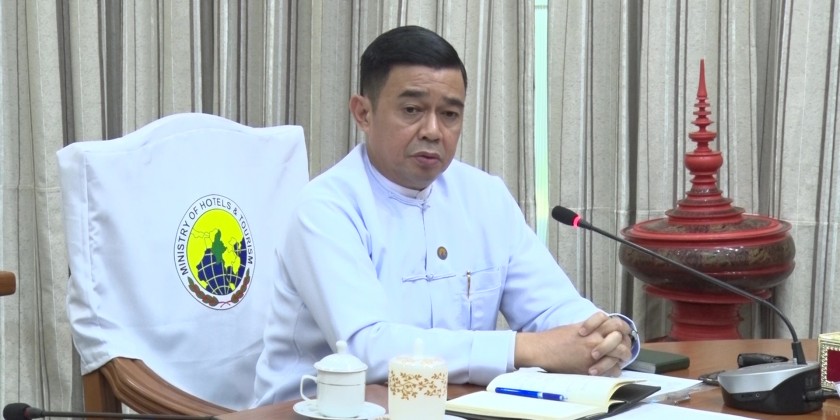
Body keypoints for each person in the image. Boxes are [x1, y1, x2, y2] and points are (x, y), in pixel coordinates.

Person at [252, 25, 639, 406]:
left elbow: (550, 307)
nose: (433, 131)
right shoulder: (326, 207)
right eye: (412, 110)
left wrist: (606, 334)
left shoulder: (485, 196)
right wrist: (527, 349)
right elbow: (367, 348)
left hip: (455, 407)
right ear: (363, 113)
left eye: (450, 114)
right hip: (317, 412)